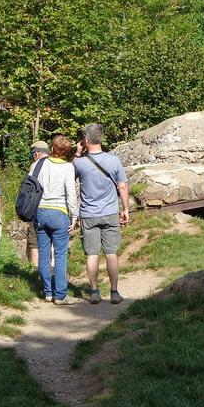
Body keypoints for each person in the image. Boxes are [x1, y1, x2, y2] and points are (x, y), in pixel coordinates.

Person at [73, 123, 130, 305]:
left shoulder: (79, 163)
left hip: (88, 214)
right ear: (101, 138)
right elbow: (122, 185)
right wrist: (125, 208)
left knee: (92, 254)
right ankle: (114, 292)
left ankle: (95, 292)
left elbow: (68, 177)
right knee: (111, 253)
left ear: (86, 140)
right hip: (110, 212)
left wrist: (77, 153)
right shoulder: (114, 160)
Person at [33, 135, 78, 305]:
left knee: (44, 254)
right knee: (60, 255)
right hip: (59, 213)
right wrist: (74, 216)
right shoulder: (68, 168)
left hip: (40, 212)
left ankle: (47, 293)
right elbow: (71, 194)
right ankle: (60, 295)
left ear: (52, 148)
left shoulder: (40, 163)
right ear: (67, 151)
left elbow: (31, 185)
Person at [27, 140, 50, 265]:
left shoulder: (35, 166)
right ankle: (53, 269)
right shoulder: (57, 164)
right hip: (57, 209)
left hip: (38, 208)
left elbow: (30, 188)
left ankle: (35, 270)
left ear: (36, 154)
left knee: (34, 240)